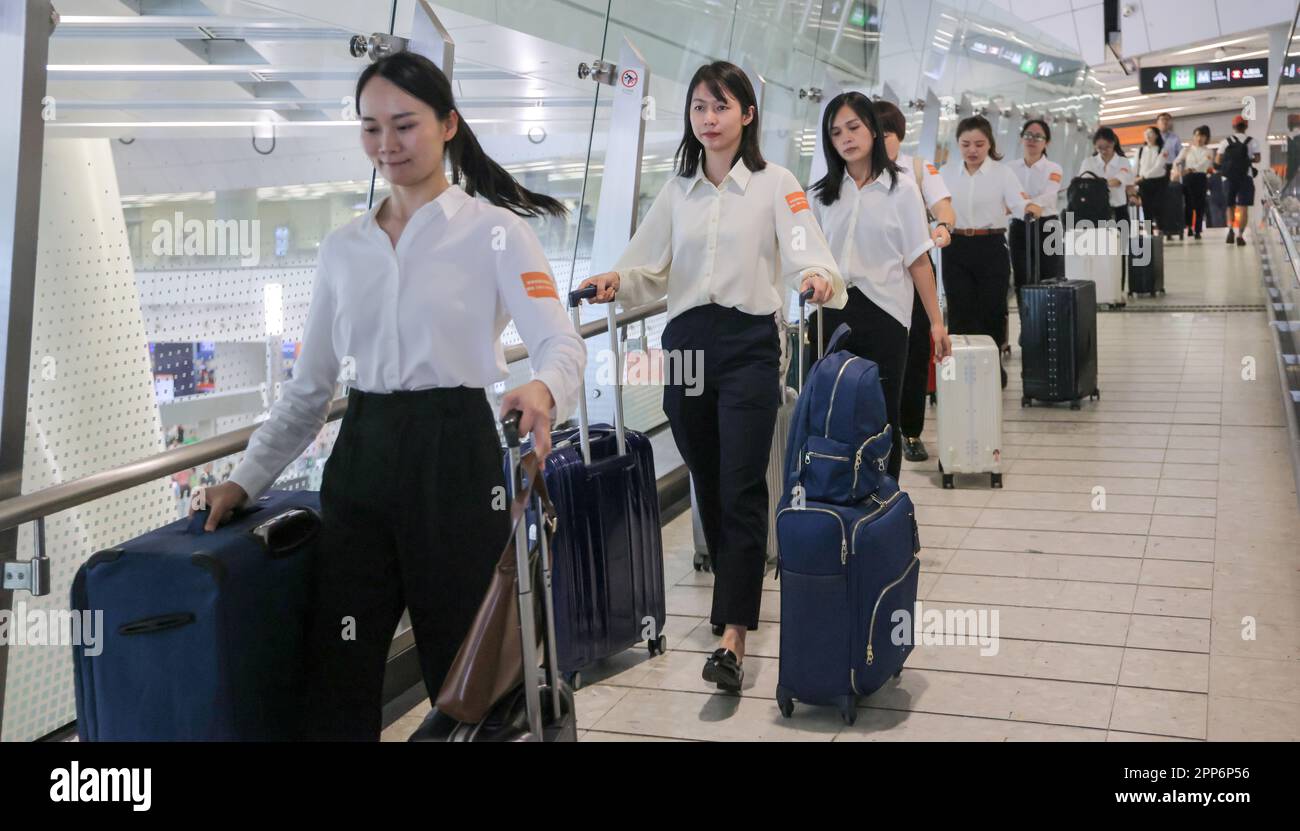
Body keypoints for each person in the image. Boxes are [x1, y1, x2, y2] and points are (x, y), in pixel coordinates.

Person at [194, 51, 586, 741]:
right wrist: (243, 478)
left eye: (404, 125)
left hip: (459, 455)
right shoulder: (344, 249)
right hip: (363, 460)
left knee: (465, 671)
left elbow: (562, 345)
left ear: (448, 126)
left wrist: (542, 388)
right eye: (371, 128)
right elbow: (309, 390)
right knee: (338, 669)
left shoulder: (496, 232)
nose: (387, 145)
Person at [578, 61, 845, 694]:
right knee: (706, 475)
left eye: (721, 107)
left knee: (742, 480)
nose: (709, 118)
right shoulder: (678, 193)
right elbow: (646, 268)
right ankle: (737, 581)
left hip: (751, 343)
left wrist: (814, 279)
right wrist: (615, 280)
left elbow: (818, 258)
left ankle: (732, 635)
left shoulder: (777, 184)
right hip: (689, 345)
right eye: (699, 107)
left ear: (747, 115)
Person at [806, 92, 952, 482]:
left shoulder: (901, 188)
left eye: (854, 127)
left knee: (882, 418)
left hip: (885, 316)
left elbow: (919, 261)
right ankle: (836, 507)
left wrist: (936, 323)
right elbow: (807, 258)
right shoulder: (821, 195)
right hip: (829, 313)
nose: (846, 138)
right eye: (836, 132)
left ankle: (882, 507)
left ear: (872, 128)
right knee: (828, 417)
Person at [873, 100, 955, 463]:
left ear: (899, 136)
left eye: (885, 133)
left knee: (916, 352)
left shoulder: (918, 169)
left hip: (916, 270)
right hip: (876, 278)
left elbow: (945, 207)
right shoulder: (853, 173)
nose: (878, 140)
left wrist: (942, 226)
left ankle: (911, 431)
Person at [939, 115, 1028, 389]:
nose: (972, 150)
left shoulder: (1003, 173)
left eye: (979, 144)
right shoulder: (946, 173)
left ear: (989, 143)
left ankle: (991, 367)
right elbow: (934, 207)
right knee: (959, 307)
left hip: (991, 246)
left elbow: (1019, 204)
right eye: (965, 144)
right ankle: (961, 369)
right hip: (955, 247)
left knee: (992, 307)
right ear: (958, 145)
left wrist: (1033, 208)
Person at [1008, 118, 1065, 291]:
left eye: (1038, 137)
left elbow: (1049, 196)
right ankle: (1027, 317)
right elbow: (1008, 197)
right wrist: (1028, 205)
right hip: (1019, 225)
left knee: (1050, 275)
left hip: (1048, 226)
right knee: (1022, 276)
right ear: (1021, 138)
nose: (1032, 139)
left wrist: (1021, 203)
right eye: (1028, 135)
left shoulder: (1054, 168)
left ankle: (1050, 317)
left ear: (1047, 142)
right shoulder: (1009, 168)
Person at [1216, 115, 1261, 247]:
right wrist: (1247, 160)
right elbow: (1258, 159)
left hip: (1228, 177)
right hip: (1245, 177)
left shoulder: (1225, 142)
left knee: (1230, 205)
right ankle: (1240, 235)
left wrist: (1229, 162)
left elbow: (1218, 161)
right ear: (1246, 126)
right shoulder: (1252, 141)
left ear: (1233, 126)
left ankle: (1230, 229)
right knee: (1243, 207)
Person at [1079, 127, 1135, 228]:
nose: (1103, 151)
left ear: (1113, 143)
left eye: (1107, 147)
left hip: (1118, 210)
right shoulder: (1088, 162)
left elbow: (1118, 181)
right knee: (1098, 242)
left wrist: (1097, 184)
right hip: (1095, 211)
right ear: (1095, 146)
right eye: (1099, 147)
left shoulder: (1123, 162)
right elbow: (1084, 185)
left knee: (1121, 242)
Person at [1172, 125, 1214, 240]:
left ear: (1206, 137)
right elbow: (1176, 161)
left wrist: (1191, 169)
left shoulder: (1208, 151)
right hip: (1188, 179)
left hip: (1201, 177)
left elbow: (1205, 164)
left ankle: (1198, 230)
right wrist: (1177, 170)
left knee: (1200, 204)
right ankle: (1189, 226)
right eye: (1196, 135)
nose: (1199, 138)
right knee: (1188, 204)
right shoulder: (1186, 150)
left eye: (1202, 136)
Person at [1135, 126, 1170, 234]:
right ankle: (1149, 231)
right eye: (1146, 134)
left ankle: (1161, 230)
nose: (1148, 136)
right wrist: (1134, 178)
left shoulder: (1162, 150)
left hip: (1158, 181)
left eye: (1151, 133)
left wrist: (1143, 176)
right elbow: (1136, 166)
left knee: (1159, 206)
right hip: (1144, 183)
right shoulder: (1140, 150)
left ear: (1156, 135)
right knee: (1146, 207)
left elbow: (1158, 166)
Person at [1157, 112, 1182, 179]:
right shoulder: (1154, 137)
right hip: (1156, 168)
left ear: (1170, 123)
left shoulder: (1175, 138)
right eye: (1162, 119)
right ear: (1157, 122)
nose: (1165, 121)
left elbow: (1180, 155)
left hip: (1171, 168)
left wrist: (1177, 168)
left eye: (1167, 120)